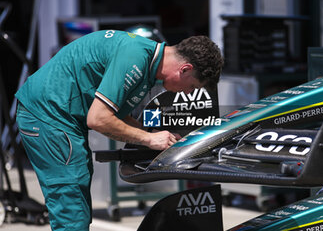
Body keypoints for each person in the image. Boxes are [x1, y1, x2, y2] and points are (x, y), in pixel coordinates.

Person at [15, 29, 223, 230]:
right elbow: (98, 119)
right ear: (184, 69)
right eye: (193, 87)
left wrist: (151, 135)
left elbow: (116, 114)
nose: (189, 93)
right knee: (71, 205)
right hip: (48, 117)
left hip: (59, 117)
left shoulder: (146, 60)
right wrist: (148, 139)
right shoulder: (135, 58)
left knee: (78, 199)